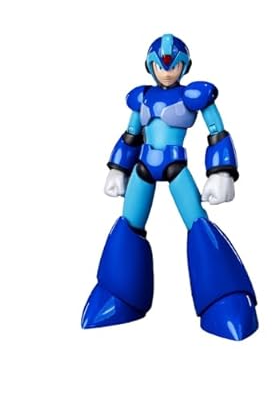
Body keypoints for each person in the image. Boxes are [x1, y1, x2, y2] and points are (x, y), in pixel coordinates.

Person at [81, 34, 258, 341]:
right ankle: (118, 294)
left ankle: (223, 298)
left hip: (176, 168)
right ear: (149, 66)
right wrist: (117, 169)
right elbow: (130, 135)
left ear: (184, 66)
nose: (166, 71)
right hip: (143, 167)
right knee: (129, 224)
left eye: (173, 65)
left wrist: (221, 172)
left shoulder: (193, 95)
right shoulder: (142, 97)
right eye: (160, 66)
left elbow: (217, 132)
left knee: (198, 223)